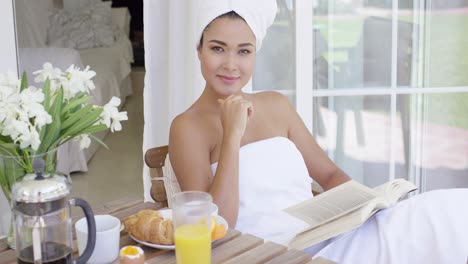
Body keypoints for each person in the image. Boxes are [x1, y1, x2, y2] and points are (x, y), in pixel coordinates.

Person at [168, 0, 468, 262]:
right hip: (274, 254)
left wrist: (368, 206)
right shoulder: (187, 127)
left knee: (446, 209)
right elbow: (216, 224)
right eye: (218, 48)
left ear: (255, 54)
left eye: (243, 51)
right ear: (199, 49)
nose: (231, 64)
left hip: (328, 239)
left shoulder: (276, 105)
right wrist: (231, 135)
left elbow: (329, 176)